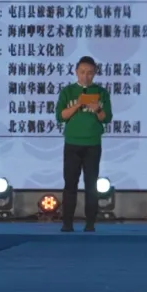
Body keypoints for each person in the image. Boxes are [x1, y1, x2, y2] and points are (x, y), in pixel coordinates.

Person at [54, 56, 112, 232]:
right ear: (76, 72)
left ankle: (90, 223)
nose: (86, 76)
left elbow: (107, 118)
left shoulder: (101, 92)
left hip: (92, 143)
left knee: (91, 185)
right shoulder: (68, 91)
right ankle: (67, 223)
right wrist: (78, 104)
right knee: (70, 184)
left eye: (90, 73)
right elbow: (60, 116)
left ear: (95, 74)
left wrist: (97, 109)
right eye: (82, 72)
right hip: (72, 142)